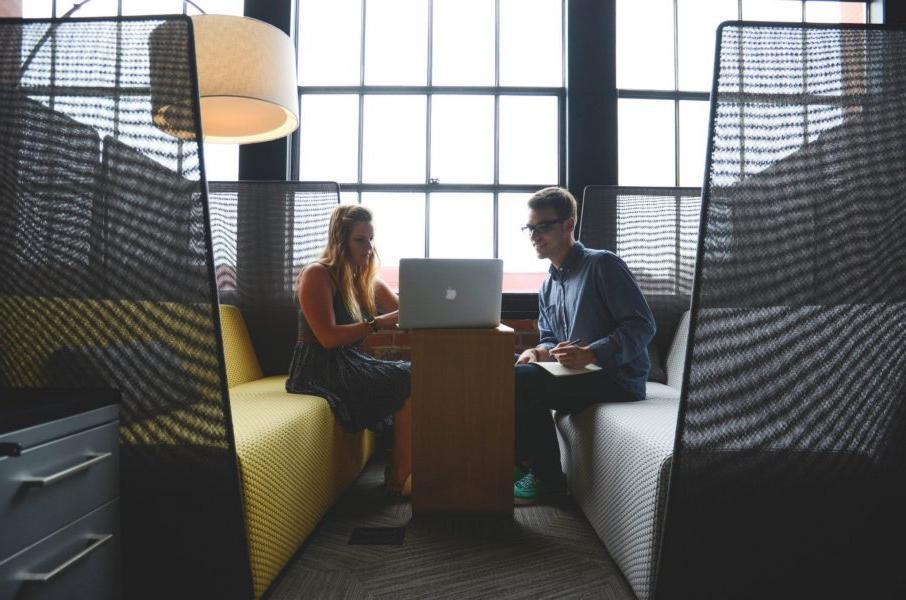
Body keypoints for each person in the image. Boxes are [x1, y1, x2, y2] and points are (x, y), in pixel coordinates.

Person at [513, 187, 656, 505]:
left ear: (568, 225)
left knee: (517, 382)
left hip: (616, 377)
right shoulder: (548, 285)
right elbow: (550, 337)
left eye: (543, 226)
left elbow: (642, 325)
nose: (534, 235)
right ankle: (521, 463)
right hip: (574, 373)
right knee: (502, 367)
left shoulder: (602, 265)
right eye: (530, 228)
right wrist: (538, 352)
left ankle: (548, 480)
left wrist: (591, 353)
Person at [286, 204, 412, 495]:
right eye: (360, 239)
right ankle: (399, 476)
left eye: (371, 239)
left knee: (414, 375)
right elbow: (328, 338)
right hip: (318, 367)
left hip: (350, 361)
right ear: (340, 240)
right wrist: (376, 324)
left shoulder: (366, 279)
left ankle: (402, 469)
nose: (368, 247)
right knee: (408, 378)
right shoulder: (318, 274)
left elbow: (407, 314)